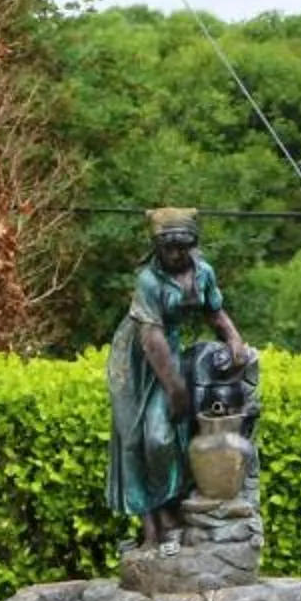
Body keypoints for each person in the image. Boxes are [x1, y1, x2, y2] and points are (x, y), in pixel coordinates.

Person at [105, 208, 256, 549]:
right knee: (133, 440)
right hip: (134, 360)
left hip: (167, 352)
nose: (175, 254)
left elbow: (214, 312)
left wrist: (234, 341)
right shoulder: (148, 280)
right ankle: (152, 524)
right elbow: (150, 339)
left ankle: (171, 511)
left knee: (161, 437)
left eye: (183, 246)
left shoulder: (203, 273)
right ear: (157, 247)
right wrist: (175, 390)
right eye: (168, 248)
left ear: (193, 244)